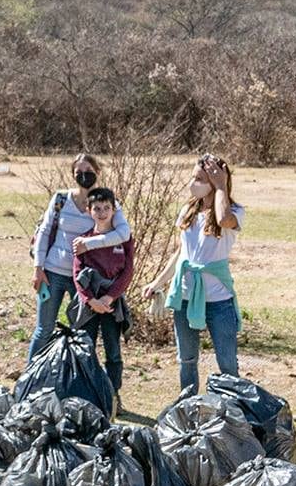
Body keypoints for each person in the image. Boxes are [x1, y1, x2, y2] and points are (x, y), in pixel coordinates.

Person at [141, 154, 245, 396]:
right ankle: (187, 408)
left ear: (216, 180)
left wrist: (220, 187)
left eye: (200, 178)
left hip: (219, 301)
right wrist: (157, 282)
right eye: (193, 177)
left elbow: (223, 219)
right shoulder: (188, 209)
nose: (193, 183)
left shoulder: (235, 211)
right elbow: (181, 253)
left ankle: (234, 414)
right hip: (186, 297)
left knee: (227, 364)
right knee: (187, 359)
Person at [27, 153, 132, 360]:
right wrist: (38, 268)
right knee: (43, 329)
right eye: (79, 172)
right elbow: (45, 232)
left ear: (98, 173)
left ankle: (79, 380)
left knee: (81, 333)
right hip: (53, 273)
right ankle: (29, 381)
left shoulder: (105, 203)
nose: (84, 176)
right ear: (73, 174)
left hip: (86, 279)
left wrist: (87, 244)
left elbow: (123, 234)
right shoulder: (60, 199)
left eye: (89, 172)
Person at [69, 187, 135, 411]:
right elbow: (77, 274)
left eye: (107, 208)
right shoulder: (83, 241)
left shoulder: (124, 238)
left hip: (111, 304)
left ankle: (114, 397)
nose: (102, 212)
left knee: (113, 351)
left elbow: (127, 272)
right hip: (89, 306)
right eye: (97, 208)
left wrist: (110, 297)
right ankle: (86, 397)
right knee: (85, 350)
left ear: (114, 210)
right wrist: (90, 301)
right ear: (89, 211)